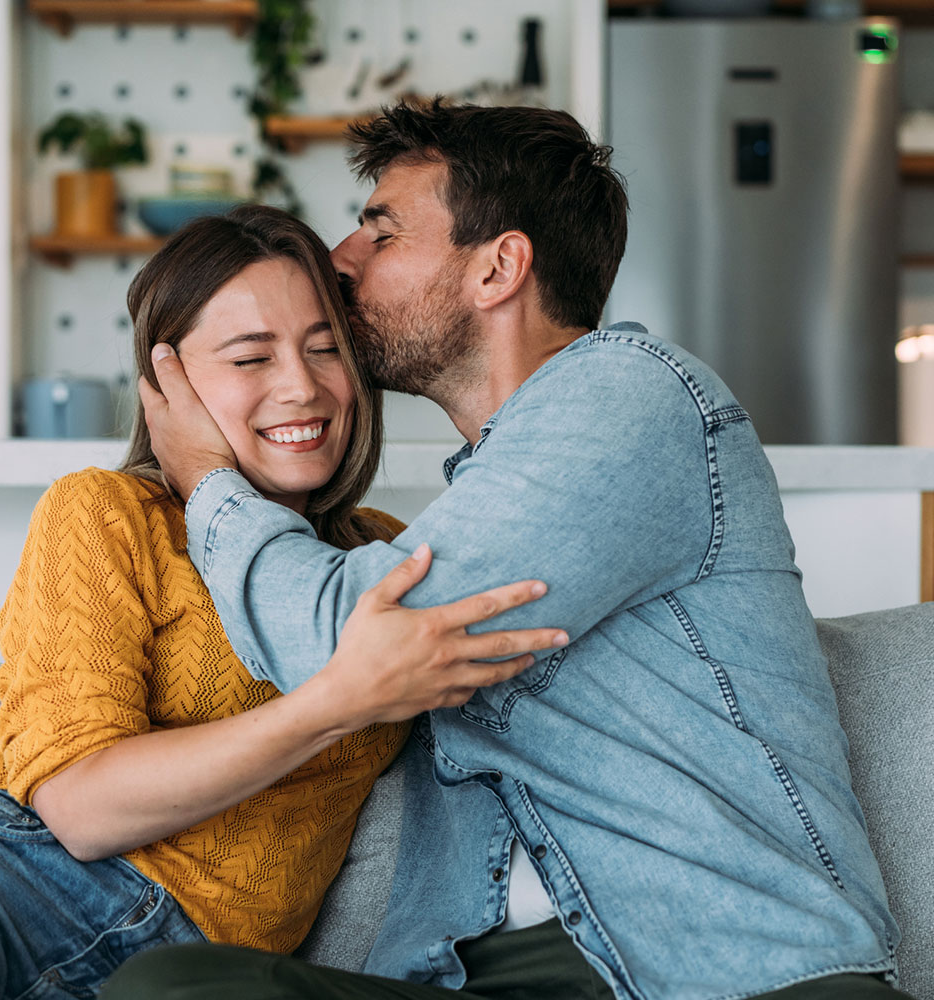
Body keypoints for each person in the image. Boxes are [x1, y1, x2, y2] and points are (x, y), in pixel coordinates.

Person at [114, 100, 913, 999]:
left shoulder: (631, 399)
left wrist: (209, 479)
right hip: (490, 974)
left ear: (499, 267)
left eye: (382, 232)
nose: (338, 259)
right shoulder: (494, 494)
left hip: (730, 971)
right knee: (171, 986)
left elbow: (341, 645)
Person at [0, 204, 566, 1000]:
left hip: (190, 968)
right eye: (250, 358)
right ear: (171, 384)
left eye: (326, 349)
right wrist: (335, 702)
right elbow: (81, 809)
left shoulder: (389, 559)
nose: (302, 387)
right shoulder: (104, 513)